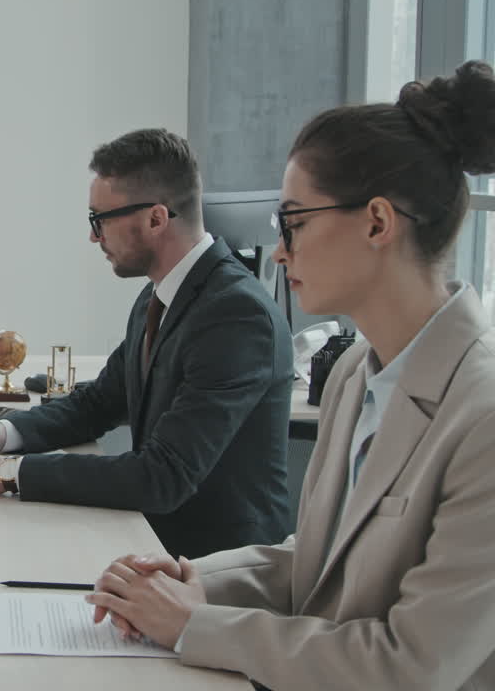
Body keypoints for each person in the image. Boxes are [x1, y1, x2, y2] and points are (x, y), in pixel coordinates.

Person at [85, 61, 495, 691]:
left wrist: (192, 626)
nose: (278, 250)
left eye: (294, 223)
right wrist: (188, 582)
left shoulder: (484, 416)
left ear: (378, 223)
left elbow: (411, 665)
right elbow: (317, 559)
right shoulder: (359, 369)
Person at [0, 129, 292, 560]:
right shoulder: (156, 296)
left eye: (99, 220)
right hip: (153, 545)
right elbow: (98, 403)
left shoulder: (235, 315)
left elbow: (164, 475)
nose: (92, 236)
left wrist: (10, 473)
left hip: (218, 569)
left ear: (157, 219)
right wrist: (3, 435)